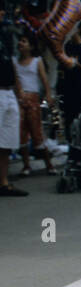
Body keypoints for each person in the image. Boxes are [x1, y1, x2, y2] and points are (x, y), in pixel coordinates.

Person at [13, 33, 58, 177]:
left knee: (36, 131)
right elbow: (15, 81)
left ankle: (49, 164)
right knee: (21, 133)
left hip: (33, 98)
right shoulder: (14, 61)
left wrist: (48, 94)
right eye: (20, 40)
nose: (20, 43)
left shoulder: (37, 61)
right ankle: (26, 165)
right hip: (19, 98)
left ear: (31, 46)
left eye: (24, 41)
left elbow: (44, 79)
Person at [0, 25, 26, 196]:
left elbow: (11, 63)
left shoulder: (4, 34)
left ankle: (3, 182)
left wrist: (19, 92)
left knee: (7, 141)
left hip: (9, 91)